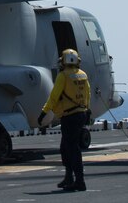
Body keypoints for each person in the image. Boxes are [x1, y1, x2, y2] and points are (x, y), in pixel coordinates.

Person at [38, 48, 91, 192]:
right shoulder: (83, 75)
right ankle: (69, 178)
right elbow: (88, 93)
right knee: (65, 147)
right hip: (81, 114)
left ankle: (79, 181)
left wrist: (44, 112)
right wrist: (88, 109)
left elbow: (54, 96)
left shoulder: (63, 76)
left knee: (72, 148)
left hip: (69, 116)